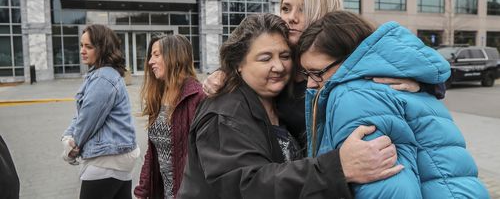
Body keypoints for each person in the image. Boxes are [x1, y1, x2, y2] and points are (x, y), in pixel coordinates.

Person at [179, 13, 397, 199]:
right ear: (238, 65)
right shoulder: (224, 113)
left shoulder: (283, 100)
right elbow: (248, 186)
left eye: (284, 56)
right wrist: (338, 167)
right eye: (265, 59)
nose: (278, 66)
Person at [298, 11, 489, 198]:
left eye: (317, 72)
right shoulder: (404, 80)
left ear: (348, 57)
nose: (311, 83)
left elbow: (389, 189)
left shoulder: (354, 94)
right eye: (306, 74)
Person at [61, 24, 139, 199]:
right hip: (117, 160)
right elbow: (82, 115)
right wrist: (68, 137)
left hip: (106, 161)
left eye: (88, 47)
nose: (82, 51)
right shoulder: (99, 75)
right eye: (81, 45)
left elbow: (87, 121)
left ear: (103, 49)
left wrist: (72, 148)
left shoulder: (103, 78)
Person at [134, 34, 206, 199]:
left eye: (156, 55)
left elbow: (207, 159)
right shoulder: (159, 96)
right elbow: (153, 152)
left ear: (174, 56)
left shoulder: (198, 97)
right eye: (151, 56)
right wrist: (142, 192)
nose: (150, 61)